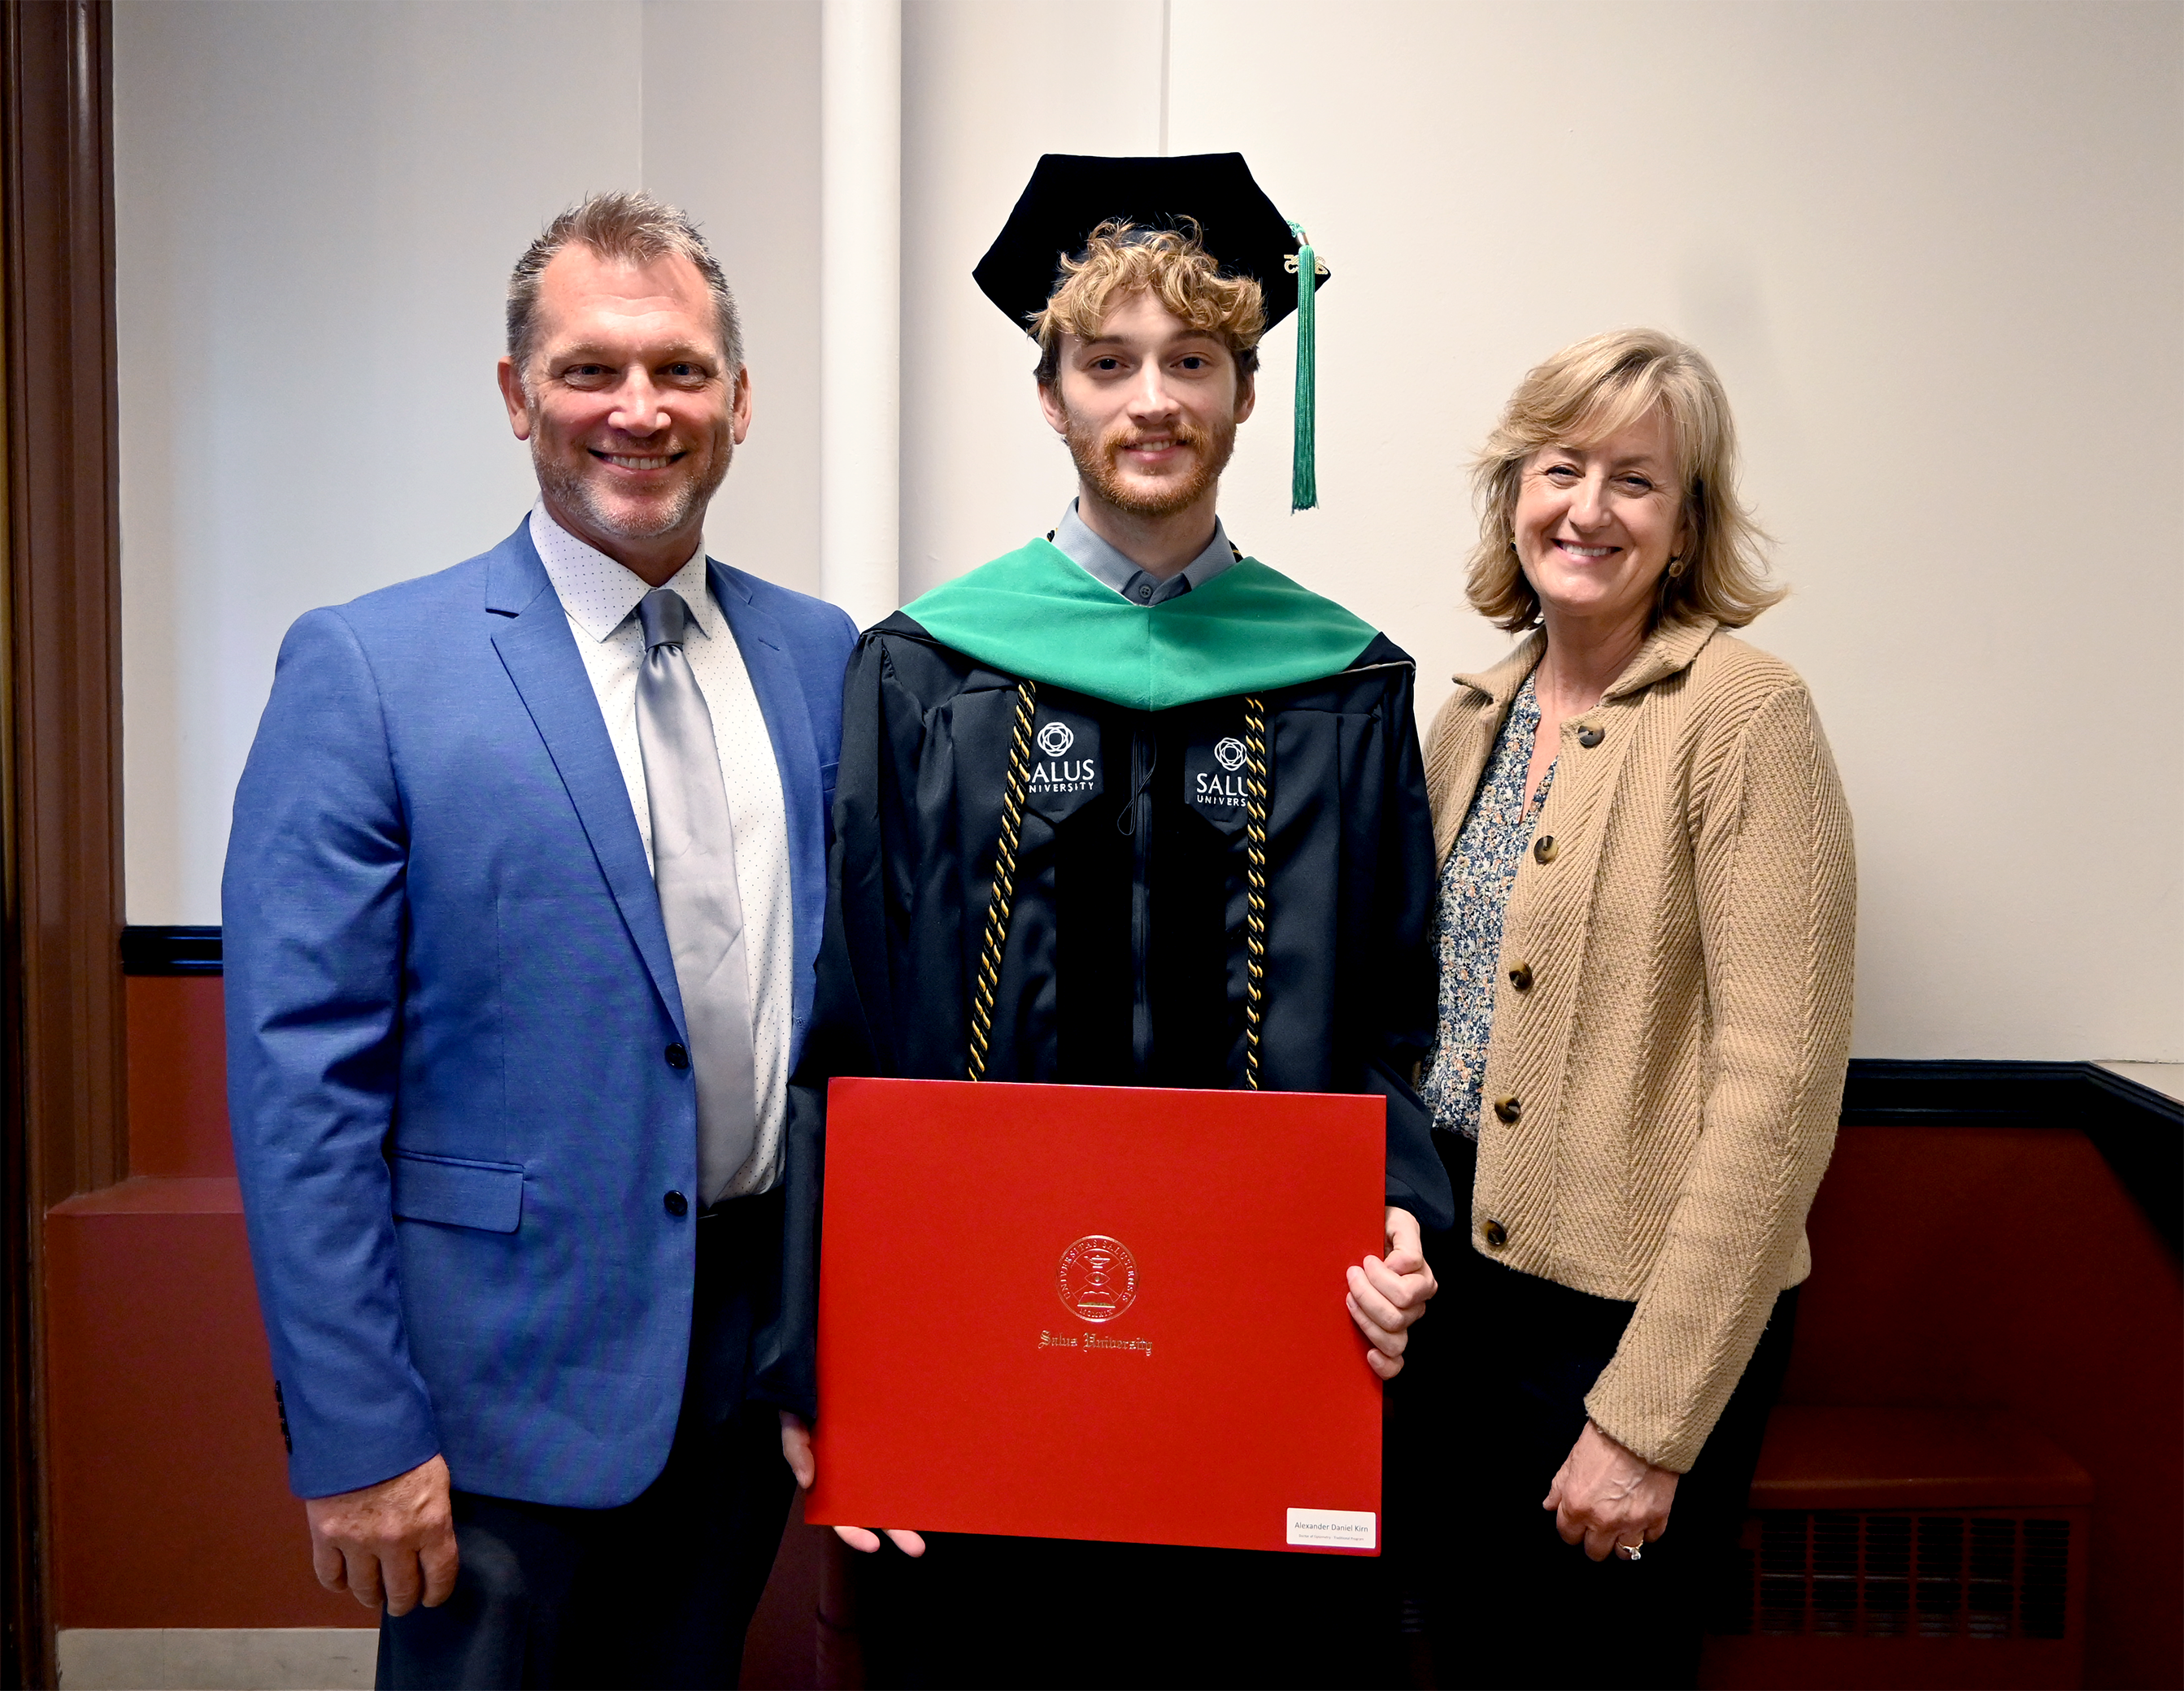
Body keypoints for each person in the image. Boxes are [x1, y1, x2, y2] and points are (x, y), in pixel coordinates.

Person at [765, 153, 1455, 1689]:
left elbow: (1400, 1013)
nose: (1153, 398)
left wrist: (1408, 1215)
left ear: (1245, 392)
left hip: (1263, 1359)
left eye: (1191, 361)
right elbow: (853, 1019)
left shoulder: (1342, 682)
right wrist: (842, 1361)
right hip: (984, 1369)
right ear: (1052, 396)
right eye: (1109, 362)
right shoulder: (922, 671)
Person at [223, 191, 856, 1690]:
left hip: (747, 1372)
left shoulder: (828, 659)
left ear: (740, 400)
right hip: (487, 1383)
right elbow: (300, 1081)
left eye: (680, 370)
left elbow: (850, 1023)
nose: (638, 409)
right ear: (517, 396)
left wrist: (843, 1341)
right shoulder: (371, 668)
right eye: (589, 369)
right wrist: (358, 1429)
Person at [1390, 328, 1856, 1688]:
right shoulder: (1467, 713)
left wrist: (1646, 1422)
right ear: (1512, 493)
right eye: (1560, 468)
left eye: (1634, 480)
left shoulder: (1745, 713)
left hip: (1626, 1326)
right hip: (1453, 1310)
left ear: (1685, 520)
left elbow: (1777, 1099)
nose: (1587, 509)